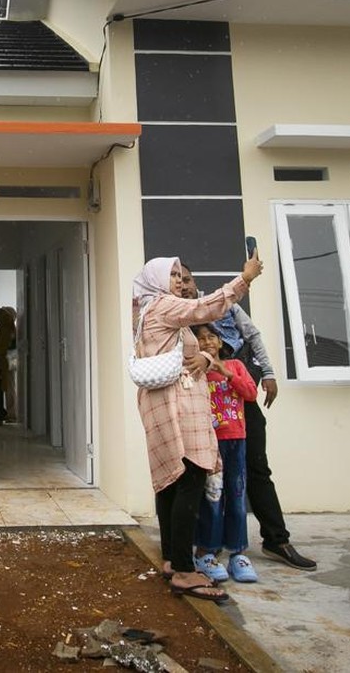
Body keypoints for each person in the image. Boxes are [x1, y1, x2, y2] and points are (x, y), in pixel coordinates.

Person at [133, 254, 262, 603]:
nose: (178, 280)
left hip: (161, 404)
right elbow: (207, 308)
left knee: (171, 483)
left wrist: (205, 358)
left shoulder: (146, 309)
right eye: (172, 274)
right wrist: (245, 278)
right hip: (178, 403)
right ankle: (184, 571)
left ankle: (172, 559)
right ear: (157, 280)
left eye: (180, 274)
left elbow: (184, 351)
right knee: (190, 478)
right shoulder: (164, 306)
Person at [181, 265, 317, 571]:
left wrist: (267, 373)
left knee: (255, 468)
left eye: (187, 279)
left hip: (237, 398)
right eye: (177, 281)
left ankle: (276, 539)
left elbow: (252, 335)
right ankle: (207, 544)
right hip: (199, 402)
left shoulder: (222, 304)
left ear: (194, 281)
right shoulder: (175, 315)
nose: (184, 286)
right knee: (203, 476)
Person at [191, 323, 259, 583]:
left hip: (236, 441)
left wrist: (226, 373)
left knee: (237, 496)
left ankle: (238, 553)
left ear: (220, 342)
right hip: (210, 443)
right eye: (201, 338)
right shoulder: (196, 372)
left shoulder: (235, 366)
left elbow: (250, 393)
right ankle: (206, 552)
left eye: (212, 337)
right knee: (212, 496)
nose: (207, 341)